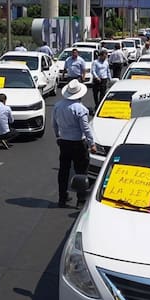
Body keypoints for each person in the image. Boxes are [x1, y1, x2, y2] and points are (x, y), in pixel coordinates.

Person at [53, 80, 96, 208]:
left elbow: (53, 124)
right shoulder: (80, 108)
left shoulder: (58, 106)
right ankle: (81, 199)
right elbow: (85, 128)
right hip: (78, 143)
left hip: (64, 142)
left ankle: (62, 197)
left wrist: (58, 136)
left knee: (64, 171)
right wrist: (91, 143)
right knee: (81, 171)